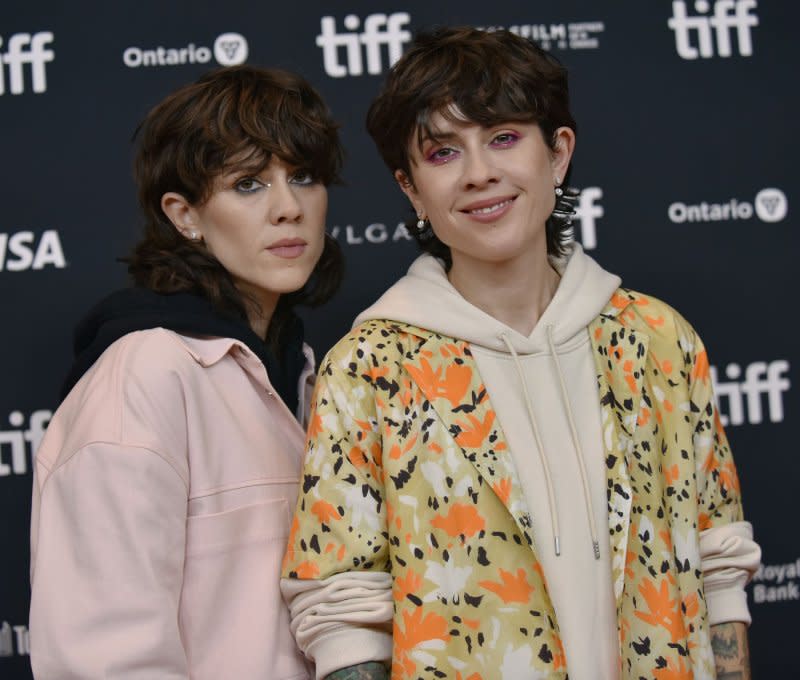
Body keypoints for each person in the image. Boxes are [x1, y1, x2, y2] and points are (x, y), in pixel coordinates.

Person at [281, 27, 760, 680]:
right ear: (412, 189)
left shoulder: (658, 338)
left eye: (503, 138)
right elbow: (341, 610)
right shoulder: (370, 366)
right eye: (444, 153)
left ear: (558, 153)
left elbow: (719, 557)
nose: (480, 173)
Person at [29, 65, 343, 679]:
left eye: (302, 177)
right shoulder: (145, 374)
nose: (288, 208)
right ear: (185, 214)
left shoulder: (300, 367)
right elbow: (105, 662)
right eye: (249, 184)